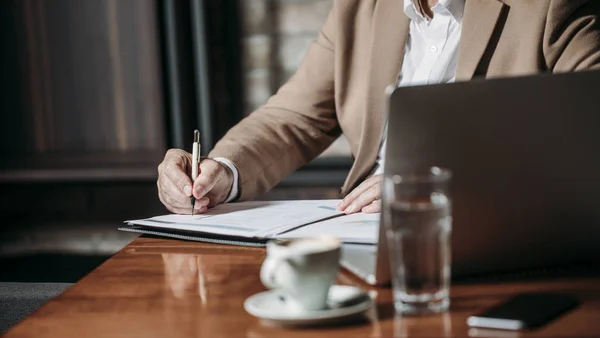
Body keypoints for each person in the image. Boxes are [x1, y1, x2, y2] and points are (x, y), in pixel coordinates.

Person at [157, 0, 600, 219]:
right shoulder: (361, 8)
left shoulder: (548, 6)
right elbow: (292, 117)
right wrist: (222, 171)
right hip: (359, 233)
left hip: (473, 238)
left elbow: (586, 133)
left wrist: (446, 182)